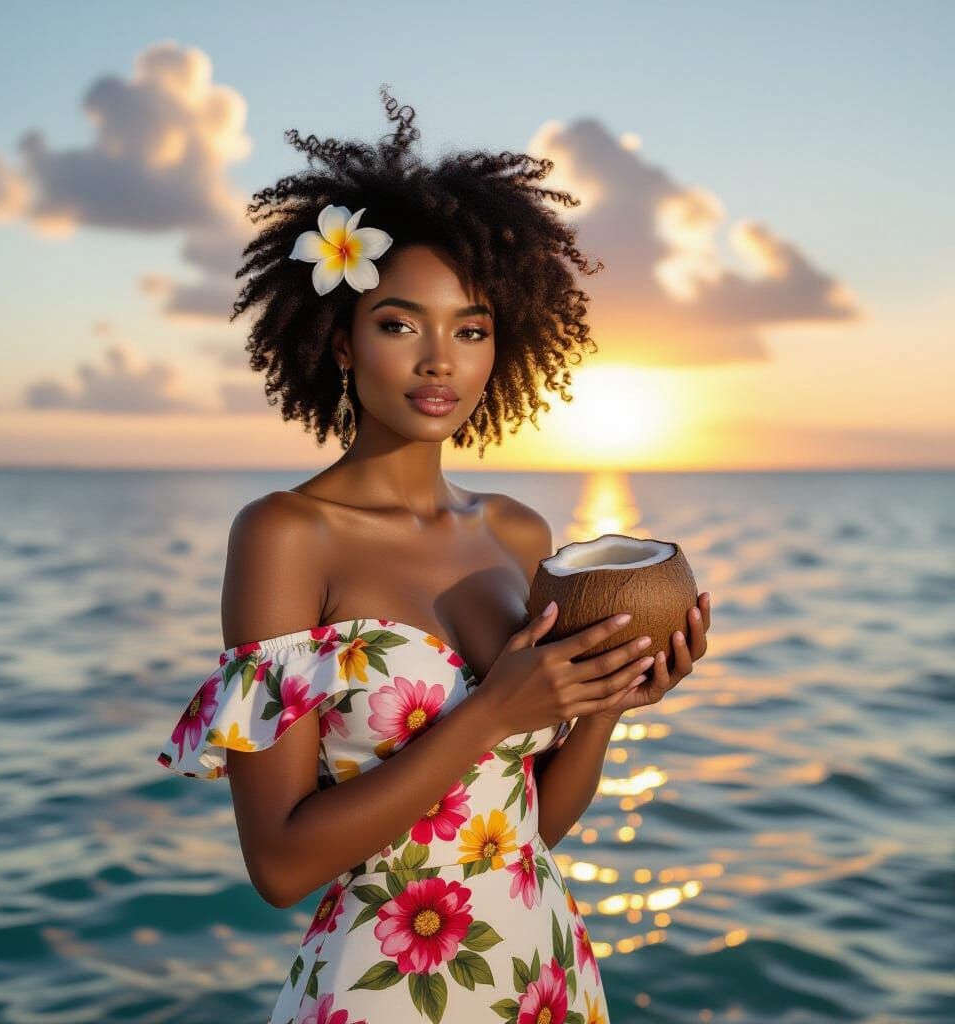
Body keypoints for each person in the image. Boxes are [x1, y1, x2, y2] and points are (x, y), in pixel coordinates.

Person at [156, 84, 711, 1024]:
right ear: (340, 340)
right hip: (381, 992)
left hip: (541, 972)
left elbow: (526, 823)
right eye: (400, 322)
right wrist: (494, 709)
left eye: (471, 329)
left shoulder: (520, 535)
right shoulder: (286, 536)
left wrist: (604, 705)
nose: (438, 362)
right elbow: (282, 867)